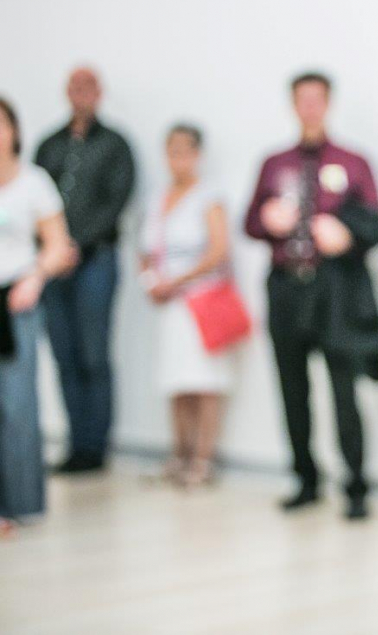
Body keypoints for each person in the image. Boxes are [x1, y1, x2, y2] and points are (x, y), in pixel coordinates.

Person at [245, 72, 378, 521]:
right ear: (293, 104)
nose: (309, 107)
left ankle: (356, 485)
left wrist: (346, 236)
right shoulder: (274, 163)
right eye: (302, 99)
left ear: (328, 103)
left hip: (335, 289)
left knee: (344, 388)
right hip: (286, 285)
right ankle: (305, 479)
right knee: (292, 387)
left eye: (316, 99)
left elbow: (376, 222)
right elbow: (249, 222)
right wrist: (268, 220)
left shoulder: (353, 162)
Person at [34, 68, 136, 474]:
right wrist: (53, 249)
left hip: (96, 261)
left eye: (88, 88)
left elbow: (116, 201)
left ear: (99, 93)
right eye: (75, 88)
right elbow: (36, 198)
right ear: (67, 92)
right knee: (65, 354)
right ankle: (76, 444)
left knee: (94, 354)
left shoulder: (115, 145)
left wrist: (75, 244)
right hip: (52, 266)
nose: (82, 95)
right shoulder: (50, 145)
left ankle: (96, 447)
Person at [139, 124, 232, 488]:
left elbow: (218, 250)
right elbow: (146, 250)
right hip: (170, 305)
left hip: (200, 300)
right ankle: (179, 453)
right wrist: (150, 281)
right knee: (176, 381)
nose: (177, 158)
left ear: (197, 154)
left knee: (204, 381)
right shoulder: (157, 199)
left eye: (184, 150)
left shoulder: (208, 196)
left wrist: (177, 281)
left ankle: (203, 459)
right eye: (171, 150)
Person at [0, 98, 75, 534]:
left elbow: (57, 244)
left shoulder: (34, 183)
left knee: (18, 405)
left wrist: (35, 277)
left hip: (17, 300)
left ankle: (22, 502)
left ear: (14, 130)